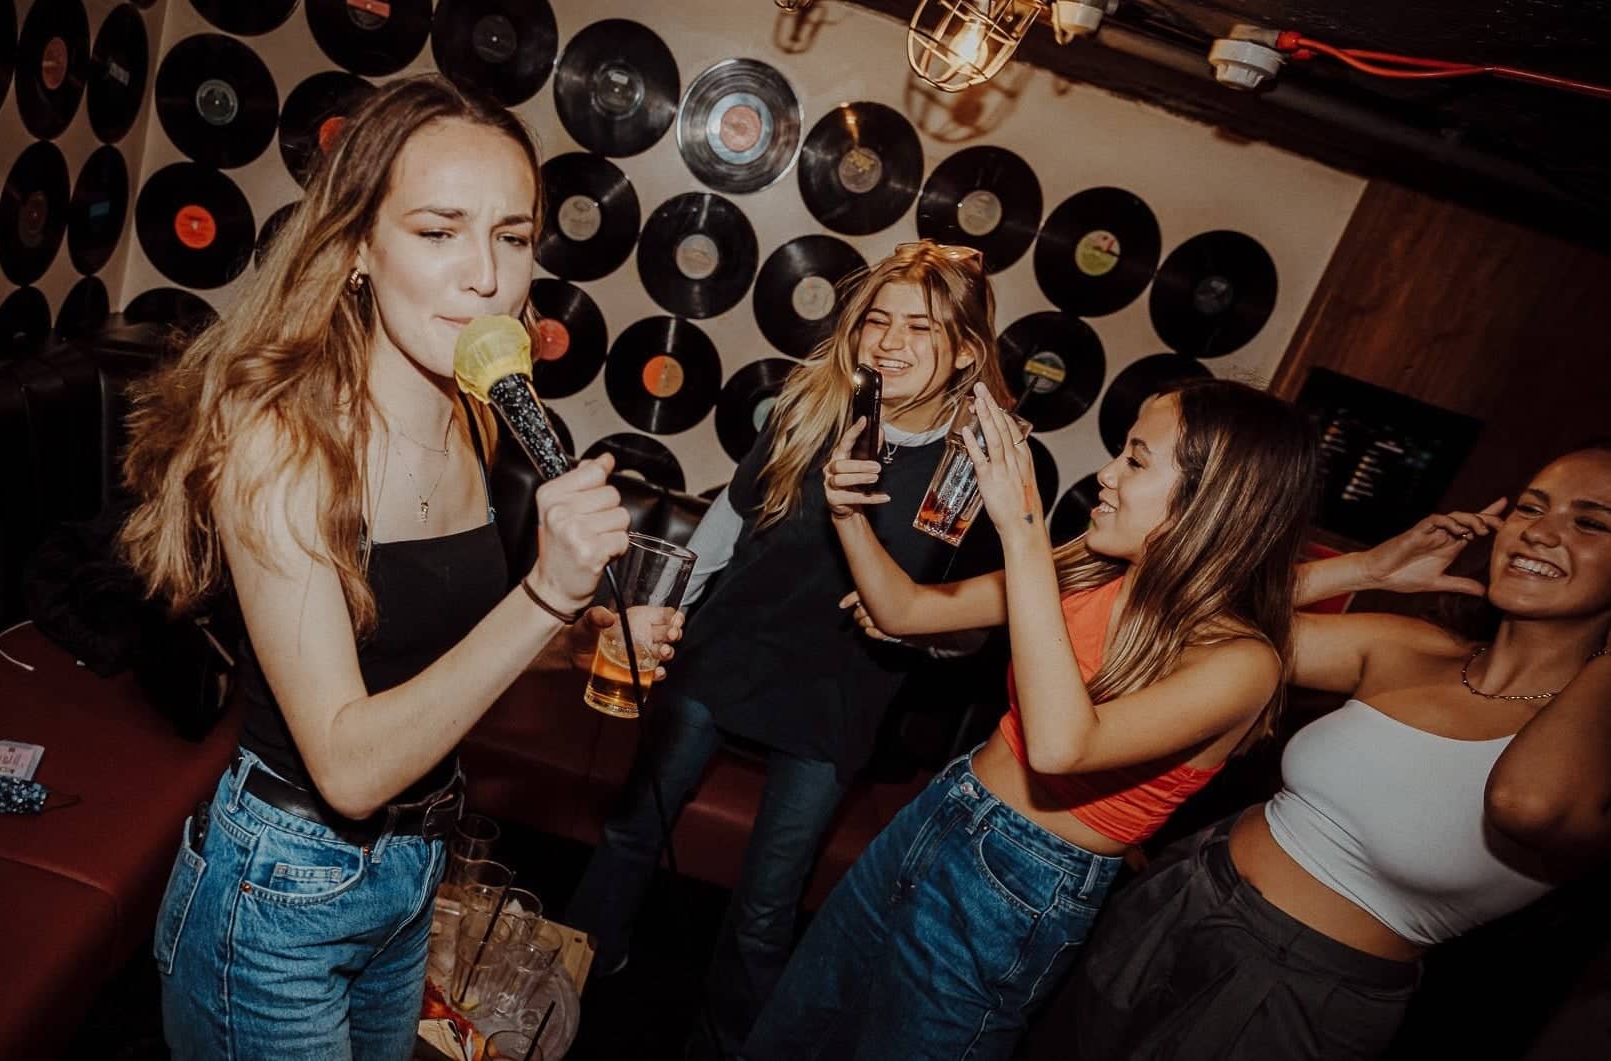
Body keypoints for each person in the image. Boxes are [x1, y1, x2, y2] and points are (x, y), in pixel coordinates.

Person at [118, 76, 673, 1060]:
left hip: (415, 870)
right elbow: (348, 766)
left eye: (511, 235)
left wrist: (573, 635)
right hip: (282, 890)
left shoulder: (476, 415)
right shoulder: (282, 443)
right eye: (437, 231)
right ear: (358, 248)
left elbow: (435, 648)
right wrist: (544, 594)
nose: (486, 276)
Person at [743, 377, 1322, 1060]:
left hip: (1021, 884)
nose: (1107, 474)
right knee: (794, 1030)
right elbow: (904, 610)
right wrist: (847, 516)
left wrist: (1021, 530)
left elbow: (1061, 746)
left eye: (1136, 460)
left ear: (1215, 500)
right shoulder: (1091, 571)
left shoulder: (1241, 662)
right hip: (941, 811)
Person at [564, 242, 1013, 1056]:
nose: (890, 340)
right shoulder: (812, 407)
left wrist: (918, 627)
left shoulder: (976, 468)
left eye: (920, 326)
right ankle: (572, 977)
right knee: (633, 828)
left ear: (965, 352)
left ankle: (733, 1042)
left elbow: (978, 625)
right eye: (877, 319)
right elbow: (722, 531)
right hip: (725, 652)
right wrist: (653, 616)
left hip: (838, 697)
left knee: (767, 903)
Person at [1023, 442, 1611, 1061]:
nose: (1540, 532)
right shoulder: (1414, 647)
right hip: (1182, 887)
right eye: (1530, 508)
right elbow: (1199, 622)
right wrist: (1365, 570)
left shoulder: (1591, 753)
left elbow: (1525, 803)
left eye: (1591, 523)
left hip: (1296, 989)